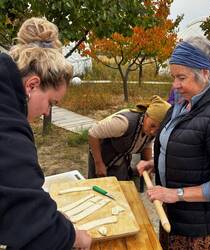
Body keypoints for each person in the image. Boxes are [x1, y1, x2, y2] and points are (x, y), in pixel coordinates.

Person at [137, 36, 210, 250]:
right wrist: (157, 162)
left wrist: (174, 194)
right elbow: (188, 149)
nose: (175, 85)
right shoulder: (181, 104)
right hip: (175, 218)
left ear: (205, 73)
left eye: (181, 77)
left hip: (201, 229)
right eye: (173, 77)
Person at [0, 17, 91, 250]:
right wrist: (73, 237)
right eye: (51, 102)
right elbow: (36, 230)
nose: (47, 111)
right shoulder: (7, 125)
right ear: (32, 85)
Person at [88, 95, 171, 180]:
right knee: (98, 185)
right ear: (146, 115)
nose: (152, 132)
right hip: (100, 153)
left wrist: (147, 166)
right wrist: (98, 163)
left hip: (119, 157)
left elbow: (147, 145)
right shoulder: (123, 123)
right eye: (152, 125)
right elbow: (93, 133)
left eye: (158, 130)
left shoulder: (150, 131)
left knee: (120, 186)